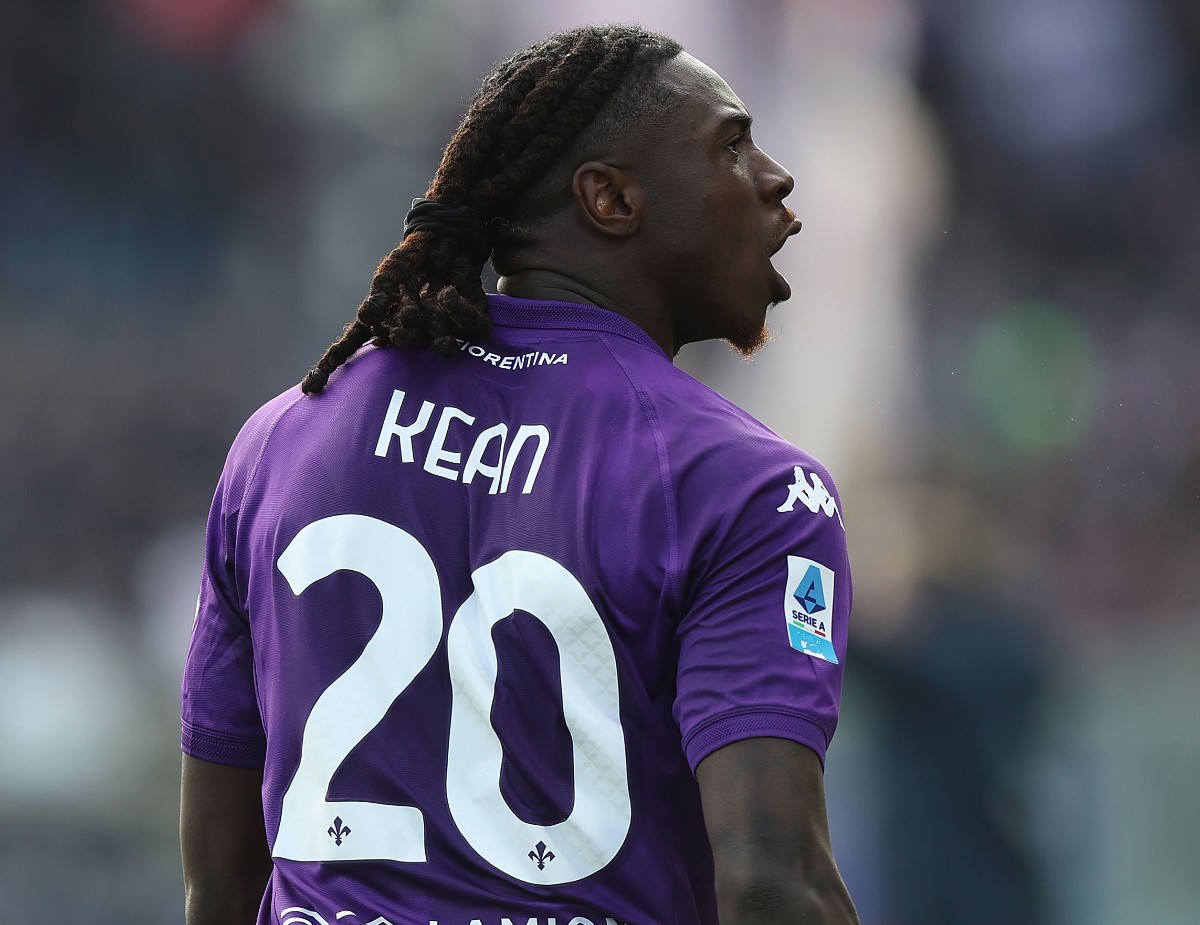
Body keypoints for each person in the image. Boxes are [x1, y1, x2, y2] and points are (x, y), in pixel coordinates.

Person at [180, 23, 858, 925]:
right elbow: (775, 884)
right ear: (610, 199)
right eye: (731, 147)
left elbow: (223, 880)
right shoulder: (743, 486)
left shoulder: (283, 439)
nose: (777, 180)